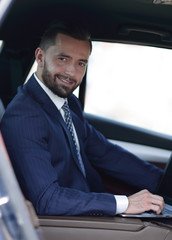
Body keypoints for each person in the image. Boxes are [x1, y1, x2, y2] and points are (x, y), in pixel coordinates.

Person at [0, 22, 164, 216]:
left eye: (81, 63)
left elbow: (106, 153)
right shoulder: (24, 116)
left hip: (86, 209)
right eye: (63, 58)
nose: (71, 72)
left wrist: (166, 184)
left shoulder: (68, 102)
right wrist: (125, 203)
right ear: (40, 57)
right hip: (63, 224)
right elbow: (47, 200)